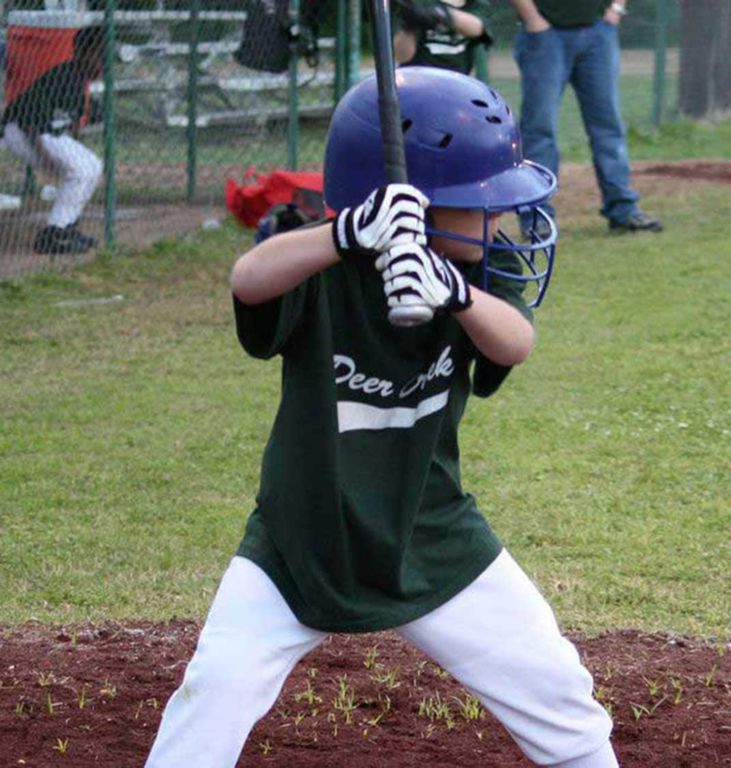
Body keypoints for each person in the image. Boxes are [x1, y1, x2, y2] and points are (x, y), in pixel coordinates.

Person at [144, 66, 617, 768]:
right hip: (301, 543)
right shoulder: (322, 270)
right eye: (478, 203)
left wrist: (452, 290)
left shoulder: (471, 279)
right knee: (213, 695)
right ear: (410, 205)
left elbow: (516, 340)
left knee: (562, 698)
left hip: (431, 534)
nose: (500, 220)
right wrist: (344, 236)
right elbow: (249, 279)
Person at [509, 0, 662, 235]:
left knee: (608, 126)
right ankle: (537, 217)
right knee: (539, 129)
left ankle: (623, 210)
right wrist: (532, 18)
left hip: (598, 33)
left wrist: (615, 10)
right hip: (543, 35)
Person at [0, 24, 104, 255]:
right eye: (99, 57)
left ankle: (67, 226)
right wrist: (45, 157)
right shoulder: (62, 75)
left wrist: (70, 150)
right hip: (20, 131)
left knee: (93, 165)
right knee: (81, 170)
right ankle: (53, 234)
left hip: (45, 133)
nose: (103, 65)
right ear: (81, 52)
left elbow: (70, 128)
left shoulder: (79, 83)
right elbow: (28, 120)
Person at [394, 0, 493, 75]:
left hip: (458, 82)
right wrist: (410, 27)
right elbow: (401, 57)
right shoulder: (416, 3)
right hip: (417, 81)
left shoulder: (474, 3)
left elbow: (477, 28)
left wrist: (441, 13)